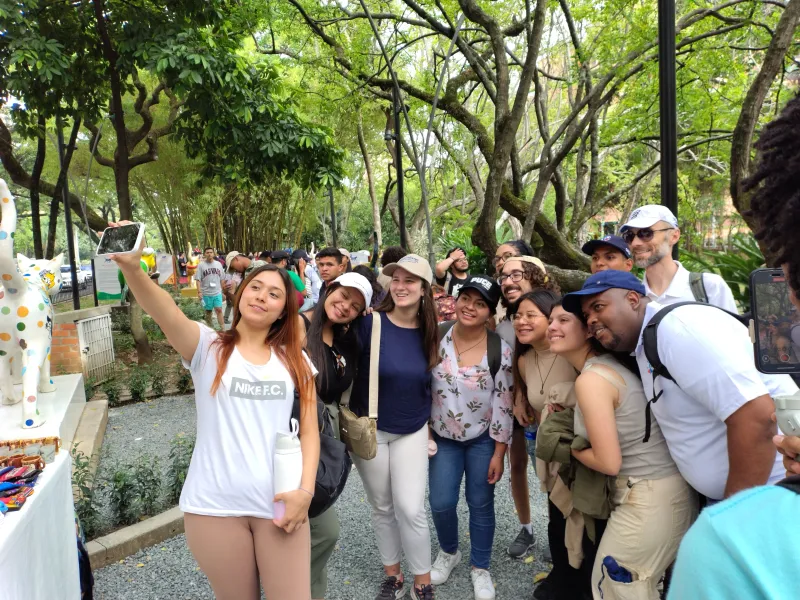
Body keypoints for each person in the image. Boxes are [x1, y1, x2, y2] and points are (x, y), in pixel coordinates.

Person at [108, 226, 319, 600]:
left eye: (274, 294)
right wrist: (132, 267)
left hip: (281, 503)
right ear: (239, 293)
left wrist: (305, 491)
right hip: (214, 507)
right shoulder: (208, 347)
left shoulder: (295, 360)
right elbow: (165, 310)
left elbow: (310, 432)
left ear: (283, 310)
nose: (262, 296)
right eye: (255, 287)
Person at [666, 92, 800, 600]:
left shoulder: (733, 545)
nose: (636, 242)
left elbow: (753, 401)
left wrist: (737, 517)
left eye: (645, 233)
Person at [563, 270, 798, 502]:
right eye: (586, 315)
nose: (591, 320)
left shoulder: (676, 331)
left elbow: (756, 417)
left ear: (633, 300)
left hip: (767, 495)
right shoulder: (649, 339)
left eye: (598, 307)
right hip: (743, 495)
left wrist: (732, 512)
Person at [547, 301, 694, 600]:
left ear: (588, 331)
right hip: (664, 493)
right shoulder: (606, 369)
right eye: (551, 320)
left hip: (648, 497)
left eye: (563, 320)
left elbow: (608, 462)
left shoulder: (592, 378)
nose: (551, 327)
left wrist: (568, 447)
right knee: (637, 586)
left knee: (613, 585)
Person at [350, 254, 438, 600]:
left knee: (411, 508)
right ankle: (394, 575)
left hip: (412, 427)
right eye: (396, 279)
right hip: (370, 429)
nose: (400, 287)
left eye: (409, 281)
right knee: (383, 506)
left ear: (424, 289)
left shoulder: (432, 332)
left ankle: (423, 581)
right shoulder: (369, 323)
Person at [428, 276, 513, 600]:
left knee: (480, 503)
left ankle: (481, 567)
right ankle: (449, 551)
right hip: (443, 437)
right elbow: (421, 385)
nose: (470, 307)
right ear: (456, 299)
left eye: (480, 304)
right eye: (466, 299)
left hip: (482, 439)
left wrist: (499, 453)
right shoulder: (436, 336)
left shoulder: (499, 350)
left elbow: (504, 403)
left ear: (490, 312)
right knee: (441, 501)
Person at [303, 272, 372, 600]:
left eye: (355, 306)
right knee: (323, 530)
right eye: (343, 296)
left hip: (327, 437)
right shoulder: (297, 327)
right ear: (328, 288)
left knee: (313, 527)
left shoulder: (343, 336)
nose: (345, 307)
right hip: (297, 435)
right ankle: (286, 586)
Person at [510, 290, 578, 600]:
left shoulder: (570, 352)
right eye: (517, 316)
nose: (521, 322)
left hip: (581, 451)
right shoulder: (524, 360)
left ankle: (579, 580)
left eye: (530, 315)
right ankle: (562, 575)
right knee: (556, 515)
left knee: (580, 518)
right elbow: (539, 410)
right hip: (550, 450)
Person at [494, 250, 560, 559]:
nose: (507, 281)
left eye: (515, 274)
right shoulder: (504, 318)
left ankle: (559, 530)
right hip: (513, 401)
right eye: (503, 275)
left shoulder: (555, 316)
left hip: (546, 402)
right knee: (517, 465)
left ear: (536, 276)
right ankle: (527, 528)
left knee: (553, 471)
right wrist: (518, 397)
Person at [619, 205, 737, 311]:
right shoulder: (632, 297)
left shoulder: (709, 288)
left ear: (674, 236)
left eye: (645, 233)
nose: (635, 243)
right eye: (629, 236)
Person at [196, 247, 225, 330]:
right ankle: (210, 329)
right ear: (204, 254)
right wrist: (199, 292)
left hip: (217, 292)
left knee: (219, 310)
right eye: (207, 252)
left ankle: (223, 329)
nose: (209, 254)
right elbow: (198, 280)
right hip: (206, 293)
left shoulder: (218, 264)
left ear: (214, 253)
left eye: (211, 252)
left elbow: (222, 279)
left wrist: (223, 292)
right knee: (208, 312)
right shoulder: (201, 265)